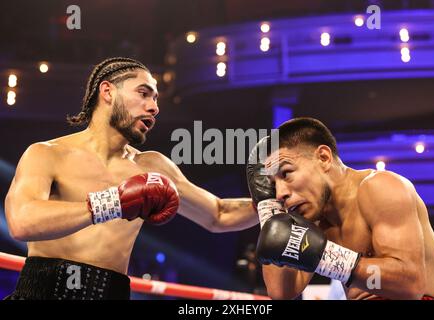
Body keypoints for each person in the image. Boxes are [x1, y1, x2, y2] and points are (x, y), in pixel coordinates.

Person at [4, 57, 258, 300]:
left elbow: (218, 214)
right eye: (143, 93)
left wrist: (275, 201)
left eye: (156, 99)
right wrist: (114, 202)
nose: (154, 107)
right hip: (43, 291)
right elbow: (22, 222)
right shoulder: (47, 154)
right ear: (108, 92)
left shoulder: (152, 167)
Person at [246, 117, 434, 300]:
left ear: (323, 158)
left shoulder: (380, 187)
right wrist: (268, 207)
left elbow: (410, 284)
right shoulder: (313, 219)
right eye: (273, 185)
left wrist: (327, 258)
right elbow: (281, 292)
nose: (280, 193)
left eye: (286, 173)